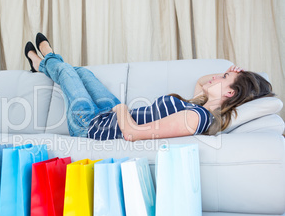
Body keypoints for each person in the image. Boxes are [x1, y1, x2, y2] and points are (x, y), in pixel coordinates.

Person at [25, 33, 275, 142]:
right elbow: (201, 81)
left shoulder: (195, 118)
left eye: (222, 78)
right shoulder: (198, 105)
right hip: (110, 114)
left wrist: (120, 108)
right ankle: (44, 64)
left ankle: (45, 58)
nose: (214, 78)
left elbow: (133, 134)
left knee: (69, 72)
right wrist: (231, 71)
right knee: (83, 72)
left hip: (92, 126)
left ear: (229, 93)